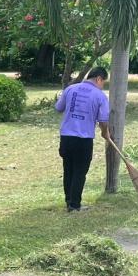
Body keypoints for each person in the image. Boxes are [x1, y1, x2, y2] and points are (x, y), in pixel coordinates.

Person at [54, 66, 111, 212]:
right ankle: (74, 205)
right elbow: (103, 120)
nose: (102, 85)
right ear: (99, 78)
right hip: (84, 139)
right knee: (80, 171)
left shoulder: (70, 89)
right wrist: (105, 132)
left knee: (68, 169)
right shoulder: (100, 96)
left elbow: (58, 108)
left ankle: (69, 202)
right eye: (103, 82)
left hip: (66, 137)